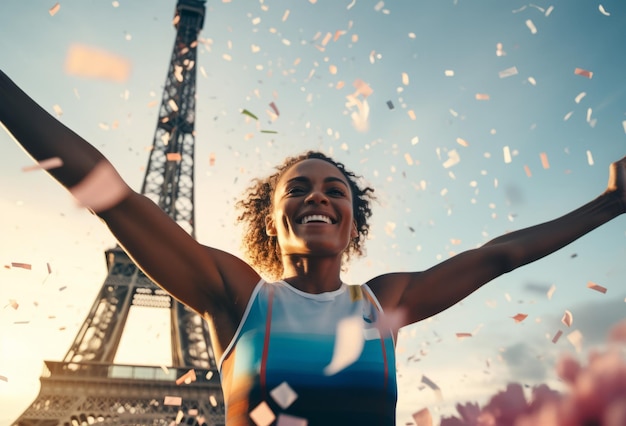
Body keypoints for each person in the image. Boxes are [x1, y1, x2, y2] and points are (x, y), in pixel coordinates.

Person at [1, 68, 624, 425]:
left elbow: (499, 255)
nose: (317, 198)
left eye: (335, 190)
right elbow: (115, 197)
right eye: (296, 189)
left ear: (353, 222)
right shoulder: (238, 295)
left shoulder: (387, 300)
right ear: (272, 223)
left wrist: (611, 203)